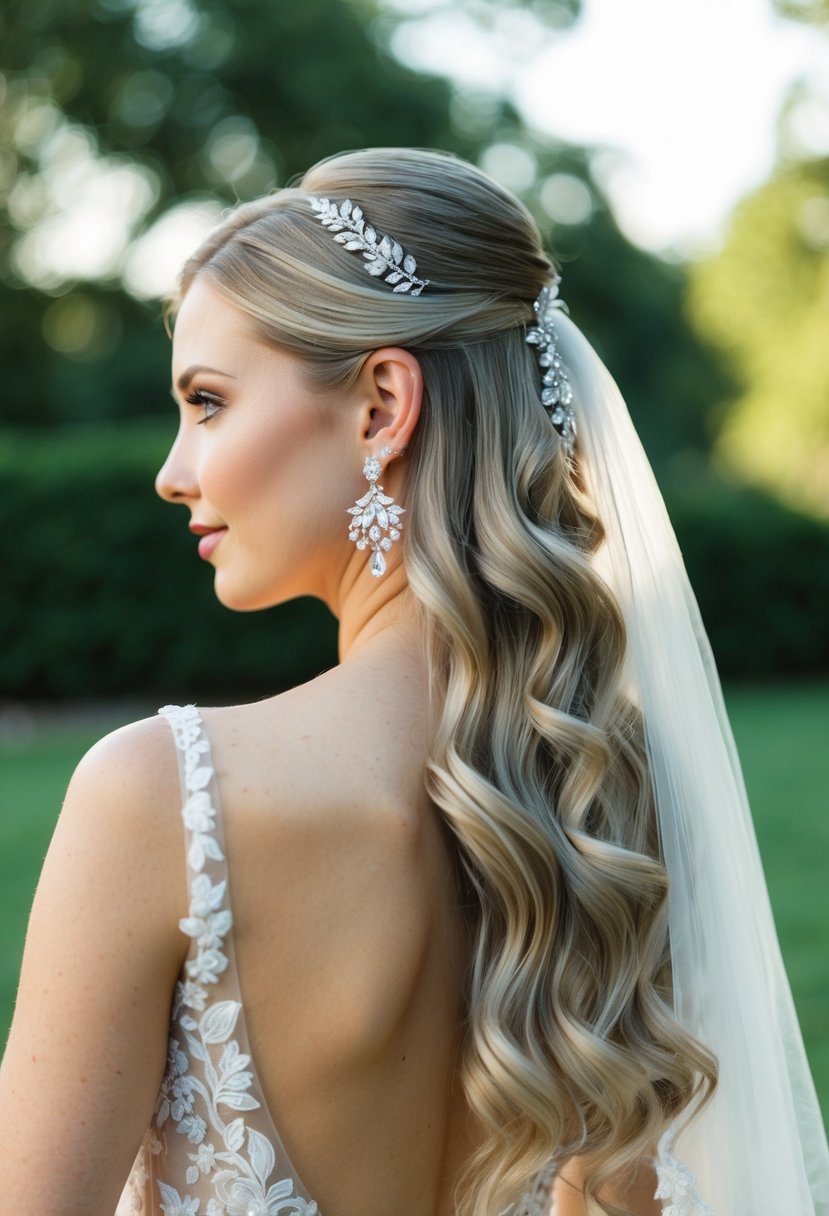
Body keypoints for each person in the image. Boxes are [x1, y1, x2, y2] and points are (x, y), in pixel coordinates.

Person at [0, 148, 826, 1216]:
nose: (173, 469)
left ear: (383, 405)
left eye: (207, 401)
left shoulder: (161, 795)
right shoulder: (603, 802)